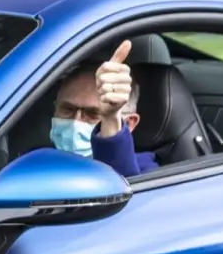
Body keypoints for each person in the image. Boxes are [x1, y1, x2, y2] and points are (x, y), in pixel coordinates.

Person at [50, 40, 159, 178]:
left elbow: (119, 188)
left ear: (129, 123)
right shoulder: (34, 162)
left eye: (93, 113)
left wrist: (110, 118)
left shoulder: (149, 178)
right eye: (67, 109)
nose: (76, 122)